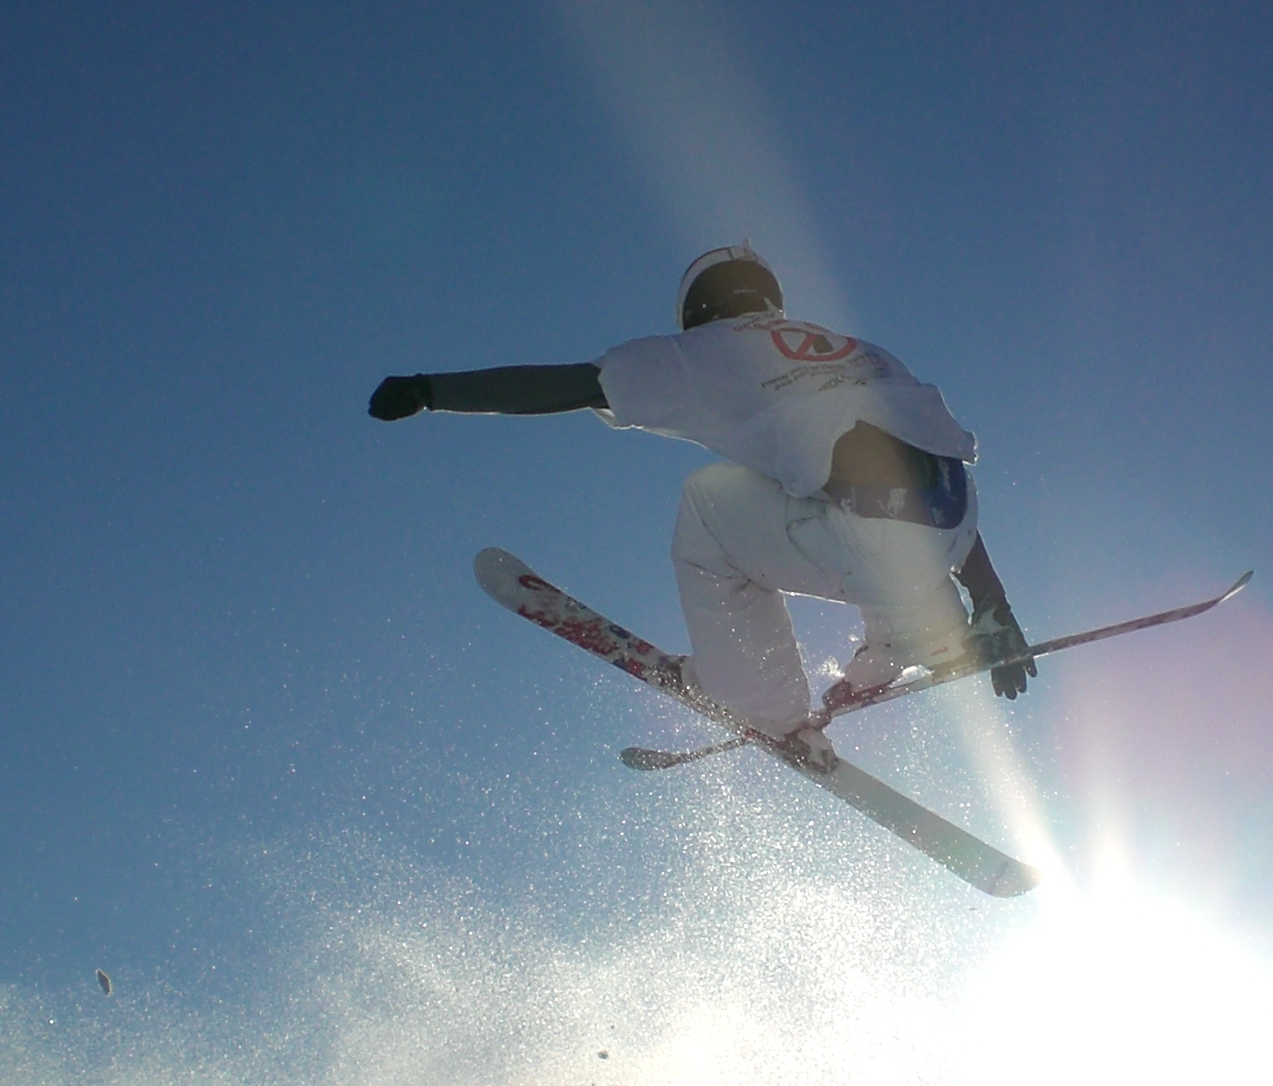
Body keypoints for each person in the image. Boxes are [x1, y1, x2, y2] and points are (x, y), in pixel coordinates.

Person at [370, 244, 1033, 746]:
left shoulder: (707, 350)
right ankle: (926, 634)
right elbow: (932, 461)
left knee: (708, 504)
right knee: (806, 476)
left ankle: (762, 697)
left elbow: (570, 384)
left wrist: (432, 390)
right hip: (950, 523)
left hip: (870, 533)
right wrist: (993, 600)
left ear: (699, 310)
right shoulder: (858, 351)